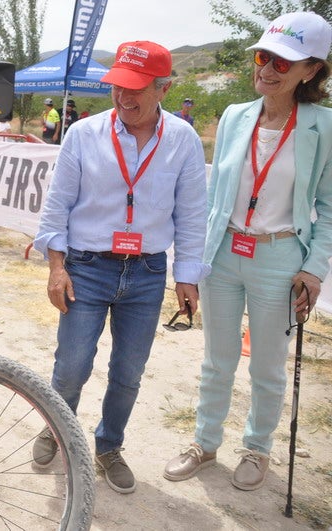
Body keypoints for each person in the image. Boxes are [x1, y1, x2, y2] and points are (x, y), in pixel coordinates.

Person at [164, 11, 332, 491]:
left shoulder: (325, 126)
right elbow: (211, 201)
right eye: (263, 57)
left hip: (280, 260)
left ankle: (257, 448)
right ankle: (204, 441)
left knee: (266, 365)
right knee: (217, 359)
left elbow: (329, 206)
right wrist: (192, 264)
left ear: (311, 70)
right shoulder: (237, 115)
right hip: (224, 254)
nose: (268, 69)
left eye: (283, 62)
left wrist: (314, 270)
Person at [32, 40, 209, 494]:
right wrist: (57, 267)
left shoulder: (184, 140)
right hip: (86, 269)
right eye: (117, 87)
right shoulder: (83, 134)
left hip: (147, 274)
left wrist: (186, 276)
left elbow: (191, 215)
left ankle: (108, 445)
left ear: (164, 88)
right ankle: (57, 430)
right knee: (71, 365)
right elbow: (56, 210)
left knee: (128, 371)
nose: (124, 98)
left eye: (137, 88)